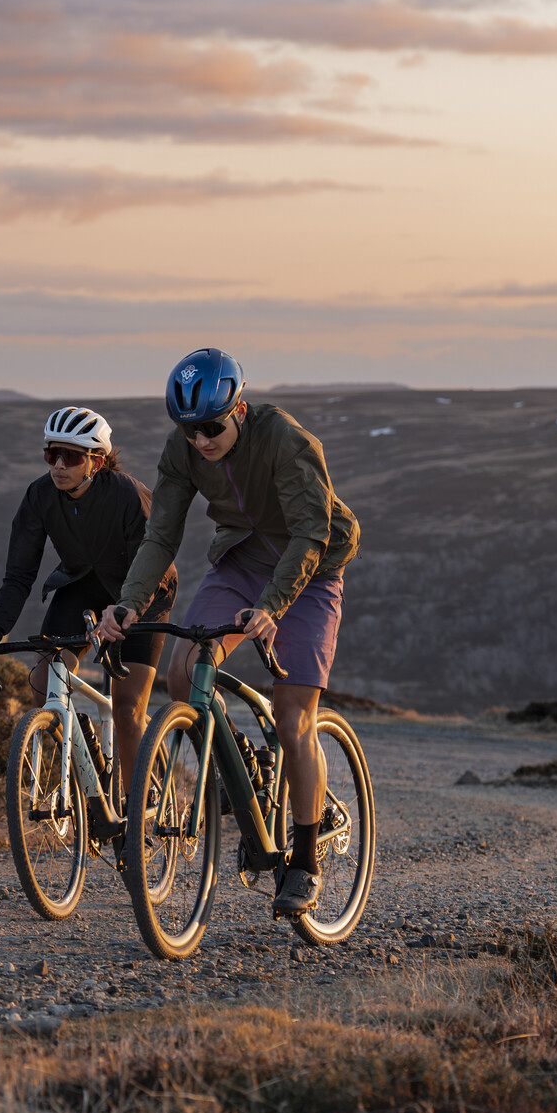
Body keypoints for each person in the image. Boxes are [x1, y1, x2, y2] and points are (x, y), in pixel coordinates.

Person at [99, 349, 359, 915]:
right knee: (181, 672)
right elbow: (160, 537)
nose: (201, 441)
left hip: (310, 570)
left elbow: (311, 533)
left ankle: (306, 858)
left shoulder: (286, 440)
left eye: (211, 428)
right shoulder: (184, 450)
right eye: (189, 431)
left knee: (293, 720)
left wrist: (272, 606)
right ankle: (237, 759)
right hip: (240, 561)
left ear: (239, 408)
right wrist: (127, 603)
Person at [0, 407, 177, 826]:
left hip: (142, 593)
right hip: (82, 586)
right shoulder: (39, 496)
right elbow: (19, 573)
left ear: (96, 461)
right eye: (52, 455)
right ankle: (84, 759)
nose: (59, 466)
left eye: (71, 456)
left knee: (127, 706)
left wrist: (125, 609)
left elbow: (152, 562)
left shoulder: (126, 495)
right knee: (43, 683)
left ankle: (138, 803)